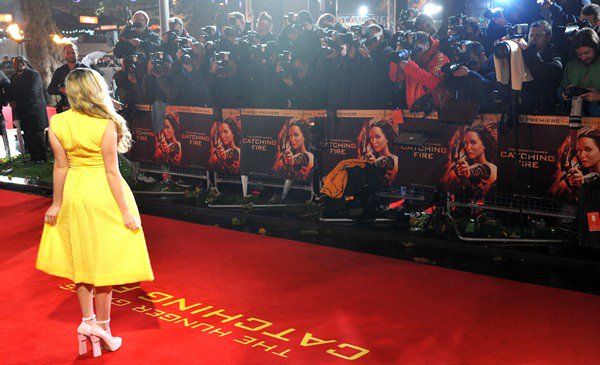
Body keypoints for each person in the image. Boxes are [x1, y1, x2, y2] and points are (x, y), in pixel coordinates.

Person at [36, 68, 154, 357]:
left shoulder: (58, 122)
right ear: (96, 89)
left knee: (82, 262)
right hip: (103, 194)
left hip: (75, 192)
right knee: (105, 265)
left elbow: (61, 167)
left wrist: (56, 203)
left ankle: (87, 323)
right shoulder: (106, 123)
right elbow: (112, 172)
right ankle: (104, 328)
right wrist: (126, 211)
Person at [517, 20, 564, 114]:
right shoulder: (521, 52)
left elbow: (546, 74)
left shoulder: (556, 53)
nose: (533, 39)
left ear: (548, 37)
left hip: (547, 107)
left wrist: (529, 53)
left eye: (538, 35)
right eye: (531, 35)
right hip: (525, 106)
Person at [8, 56, 48, 163]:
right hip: (23, 111)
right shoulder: (14, 77)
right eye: (14, 63)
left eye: (19, 62)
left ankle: (42, 157)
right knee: (27, 134)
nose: (16, 65)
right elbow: (11, 91)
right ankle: (34, 156)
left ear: (25, 63)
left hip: (34, 110)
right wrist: (11, 100)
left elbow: (32, 93)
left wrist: (18, 102)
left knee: (37, 134)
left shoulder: (33, 75)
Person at [559, 28, 600, 116]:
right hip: (576, 117)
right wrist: (564, 94)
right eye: (579, 54)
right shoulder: (571, 66)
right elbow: (560, 90)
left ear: (596, 47)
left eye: (587, 53)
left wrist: (599, 96)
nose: (583, 58)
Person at [455, 124, 498, 196]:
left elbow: (482, 169)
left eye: (473, 142)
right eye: (466, 143)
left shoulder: (492, 168)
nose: (468, 147)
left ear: (484, 144)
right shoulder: (466, 162)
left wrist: (468, 171)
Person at [48, 43, 89, 113]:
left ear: (77, 53)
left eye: (73, 52)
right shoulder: (60, 71)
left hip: (83, 107)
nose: (71, 55)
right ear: (64, 54)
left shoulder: (86, 70)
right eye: (68, 53)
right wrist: (61, 89)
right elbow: (50, 89)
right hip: (66, 107)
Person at [363, 119, 398, 185]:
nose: (373, 141)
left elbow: (389, 166)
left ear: (387, 137)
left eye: (377, 137)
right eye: (371, 138)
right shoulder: (371, 156)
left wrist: (375, 163)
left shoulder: (395, 159)